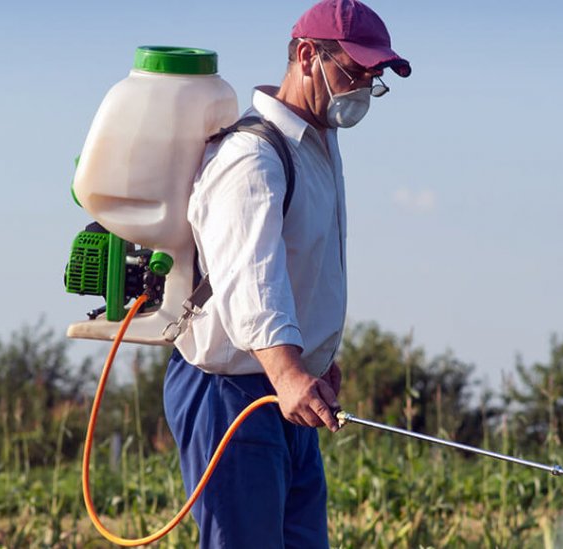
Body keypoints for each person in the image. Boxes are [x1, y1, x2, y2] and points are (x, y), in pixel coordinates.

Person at [163, 1, 411, 546]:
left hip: (283, 388)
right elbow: (254, 277)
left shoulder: (318, 144)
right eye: (354, 72)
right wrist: (289, 371)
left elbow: (306, 265)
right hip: (232, 393)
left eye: (373, 80)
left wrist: (315, 358)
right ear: (306, 55)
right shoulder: (252, 155)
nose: (363, 90)